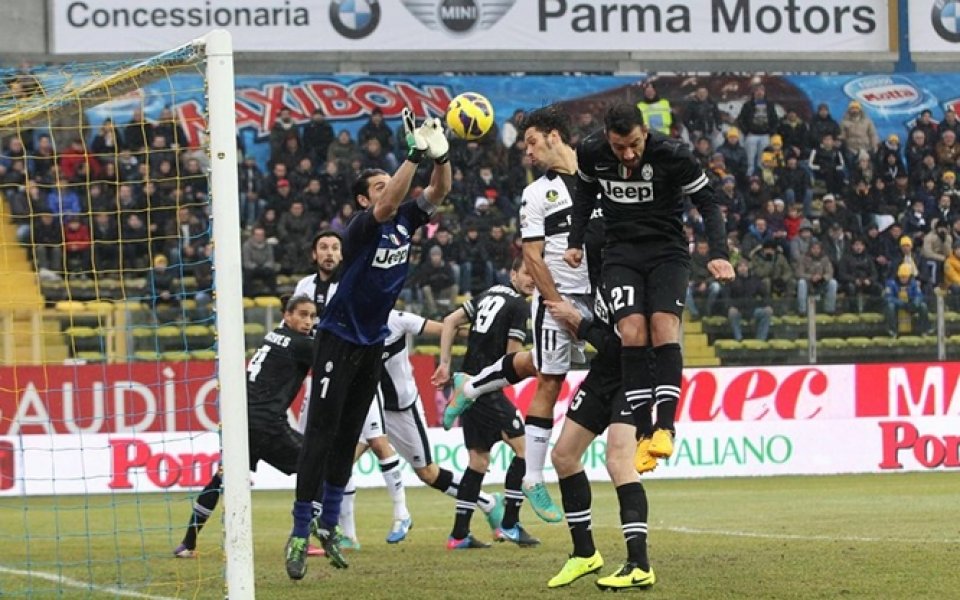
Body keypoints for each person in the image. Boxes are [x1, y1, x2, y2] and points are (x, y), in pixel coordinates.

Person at [285, 109, 450, 579]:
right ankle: (300, 531)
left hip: (371, 344)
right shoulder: (361, 226)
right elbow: (388, 201)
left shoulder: (405, 223)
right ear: (363, 197)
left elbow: (438, 192)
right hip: (337, 339)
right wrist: (413, 157)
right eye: (380, 185)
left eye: (389, 183)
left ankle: (331, 525)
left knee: (348, 437)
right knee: (319, 435)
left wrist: (441, 157)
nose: (390, 191)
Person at [566, 102, 734, 463]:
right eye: (618, 147)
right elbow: (583, 196)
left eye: (634, 145)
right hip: (621, 252)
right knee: (631, 332)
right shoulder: (592, 151)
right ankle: (644, 433)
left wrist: (719, 252)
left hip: (667, 252)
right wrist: (574, 243)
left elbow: (707, 203)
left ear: (644, 132)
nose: (627, 154)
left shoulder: (674, 154)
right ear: (607, 139)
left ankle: (665, 429)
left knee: (663, 326)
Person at [173, 296, 319, 558]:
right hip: (267, 424)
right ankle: (301, 538)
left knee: (222, 477)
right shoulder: (301, 344)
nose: (308, 321)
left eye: (312, 316)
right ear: (287, 315)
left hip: (241, 420)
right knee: (316, 467)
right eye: (303, 315)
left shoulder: (273, 335)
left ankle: (187, 543)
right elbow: (330, 360)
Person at [510, 106, 592, 523]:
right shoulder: (536, 193)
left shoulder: (597, 176)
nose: (528, 152)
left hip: (604, 297)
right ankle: (533, 478)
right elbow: (532, 255)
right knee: (549, 382)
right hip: (557, 299)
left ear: (555, 136)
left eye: (532, 142)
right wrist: (555, 301)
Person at [545, 289, 658, 590]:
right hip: (603, 374)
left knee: (619, 462)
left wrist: (578, 323)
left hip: (635, 374)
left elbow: (622, 345)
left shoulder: (634, 278)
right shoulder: (598, 269)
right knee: (563, 456)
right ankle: (584, 554)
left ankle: (639, 564)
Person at [433, 258, 540, 549]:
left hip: (467, 382)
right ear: (513, 273)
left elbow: (450, 320)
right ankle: (510, 524)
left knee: (478, 461)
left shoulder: (489, 293)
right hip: (486, 389)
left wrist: (445, 363)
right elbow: (512, 359)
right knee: (525, 451)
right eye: (527, 273)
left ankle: (458, 535)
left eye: (536, 275)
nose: (532, 279)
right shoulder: (519, 305)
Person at [726, 260, 773, 342]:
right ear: (737, 269)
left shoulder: (755, 280)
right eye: (740, 266)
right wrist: (730, 307)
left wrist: (767, 305)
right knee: (732, 313)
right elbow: (726, 297)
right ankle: (739, 338)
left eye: (744, 266)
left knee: (767, 312)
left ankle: (760, 340)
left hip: (753, 309)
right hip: (738, 310)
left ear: (748, 268)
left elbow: (765, 294)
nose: (743, 268)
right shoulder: (731, 281)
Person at [883, 263, 931, 338]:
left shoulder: (914, 283)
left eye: (905, 277)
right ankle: (892, 331)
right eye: (901, 277)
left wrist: (915, 303)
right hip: (897, 306)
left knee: (923, 306)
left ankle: (925, 330)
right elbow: (888, 297)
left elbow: (919, 295)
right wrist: (902, 303)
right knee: (890, 307)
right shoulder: (891, 283)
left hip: (910, 305)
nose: (903, 279)